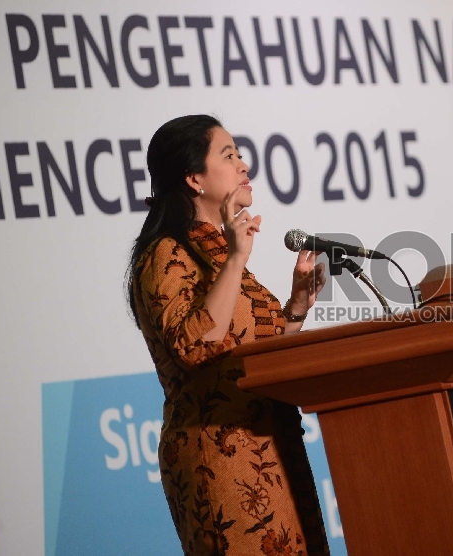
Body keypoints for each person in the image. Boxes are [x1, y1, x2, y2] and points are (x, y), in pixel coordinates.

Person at [125, 114, 329, 556]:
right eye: (230, 155)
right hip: (219, 461)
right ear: (194, 178)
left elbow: (256, 354)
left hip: (268, 450)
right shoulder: (166, 254)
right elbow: (194, 345)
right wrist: (237, 257)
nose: (244, 165)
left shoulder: (216, 248)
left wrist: (295, 309)